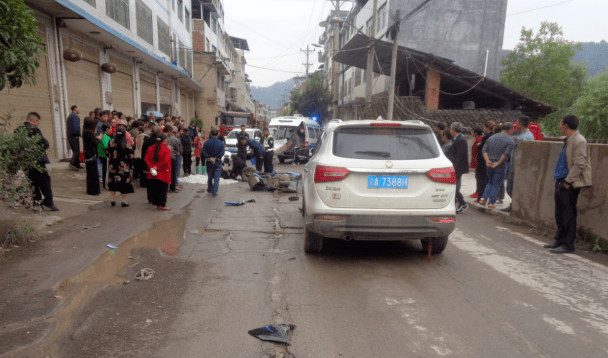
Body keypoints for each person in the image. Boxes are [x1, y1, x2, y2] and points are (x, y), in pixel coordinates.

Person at [544, 115, 592, 254]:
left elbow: (580, 164)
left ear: (565, 125)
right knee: (559, 213)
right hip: (561, 180)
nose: (559, 125)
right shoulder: (569, 140)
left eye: (560, 122)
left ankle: (567, 245)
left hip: (568, 181)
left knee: (568, 214)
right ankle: (559, 240)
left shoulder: (579, 140)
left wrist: (567, 182)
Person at [18, 112, 58, 211]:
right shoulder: (35, 130)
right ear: (34, 120)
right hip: (38, 161)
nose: (38, 124)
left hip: (26, 162)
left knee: (33, 183)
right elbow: (44, 144)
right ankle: (49, 201)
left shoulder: (18, 130)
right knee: (45, 181)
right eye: (38, 122)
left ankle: (37, 203)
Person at [503, 116, 535, 212]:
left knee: (511, 188)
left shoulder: (525, 137)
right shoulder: (523, 135)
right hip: (514, 165)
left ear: (520, 124)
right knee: (511, 188)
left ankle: (516, 206)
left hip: (518, 167)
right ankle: (514, 204)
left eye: (517, 123)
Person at [480, 122, 514, 209]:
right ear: (510, 130)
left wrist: (487, 160)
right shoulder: (510, 140)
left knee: (490, 182)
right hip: (501, 164)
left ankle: (483, 198)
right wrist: (498, 163)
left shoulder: (491, 137)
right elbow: (506, 154)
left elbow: (484, 150)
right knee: (496, 184)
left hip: (489, 162)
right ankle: (491, 203)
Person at [106, 127, 134, 207]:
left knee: (112, 182)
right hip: (123, 167)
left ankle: (112, 200)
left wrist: (112, 157)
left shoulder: (111, 142)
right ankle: (124, 201)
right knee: (124, 183)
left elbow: (107, 152)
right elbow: (131, 156)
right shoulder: (125, 144)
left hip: (112, 166)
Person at [145, 133, 172, 210]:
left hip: (152, 172)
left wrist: (151, 167)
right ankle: (162, 205)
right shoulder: (166, 149)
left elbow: (146, 159)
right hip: (163, 172)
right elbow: (166, 161)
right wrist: (156, 167)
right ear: (164, 140)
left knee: (155, 189)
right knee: (162, 190)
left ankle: (156, 203)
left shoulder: (150, 148)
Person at [447, 122, 469, 213]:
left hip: (458, 168)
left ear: (453, 130)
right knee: (453, 186)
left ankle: (462, 203)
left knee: (453, 186)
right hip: (456, 167)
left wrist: (454, 168)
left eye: (451, 129)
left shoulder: (460, 140)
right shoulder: (457, 139)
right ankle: (460, 202)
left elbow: (459, 156)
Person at [474, 121, 495, 202]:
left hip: (482, 160)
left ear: (487, 128)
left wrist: (479, 145)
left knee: (481, 179)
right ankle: (484, 196)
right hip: (489, 159)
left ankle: (480, 196)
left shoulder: (486, 137)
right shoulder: (493, 136)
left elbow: (481, 148)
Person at [202, 128, 225, 197]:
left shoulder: (206, 142)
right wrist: (216, 157)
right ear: (217, 134)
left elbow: (203, 151)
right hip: (217, 162)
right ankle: (214, 191)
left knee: (210, 176)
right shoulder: (221, 143)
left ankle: (210, 189)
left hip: (209, 162)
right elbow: (222, 152)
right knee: (217, 177)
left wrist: (209, 157)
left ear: (211, 134)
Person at [82, 117, 100, 196]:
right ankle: (93, 190)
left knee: (91, 173)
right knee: (93, 173)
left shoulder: (85, 132)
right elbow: (94, 143)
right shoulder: (88, 133)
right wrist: (98, 139)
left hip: (88, 154)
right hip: (91, 154)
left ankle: (92, 190)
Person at [66, 105, 82, 171]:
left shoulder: (70, 116)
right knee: (76, 151)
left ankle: (77, 164)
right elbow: (75, 127)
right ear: (75, 109)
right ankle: (72, 163)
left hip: (70, 136)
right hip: (74, 136)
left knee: (75, 150)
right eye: (78, 108)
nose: (79, 109)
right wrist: (78, 134)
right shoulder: (75, 116)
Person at [98, 123, 112, 190]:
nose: (111, 129)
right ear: (107, 129)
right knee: (106, 171)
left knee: (104, 170)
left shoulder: (101, 135)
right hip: (105, 156)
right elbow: (106, 147)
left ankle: (105, 184)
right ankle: (106, 185)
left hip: (100, 155)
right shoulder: (106, 137)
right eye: (110, 128)